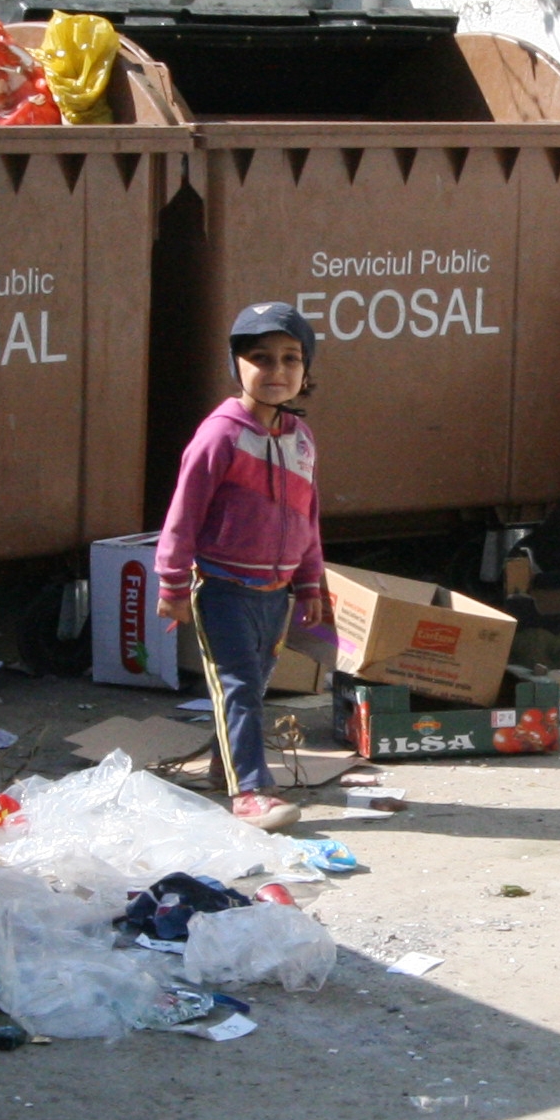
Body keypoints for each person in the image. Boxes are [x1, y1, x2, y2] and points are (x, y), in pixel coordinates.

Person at [154, 302, 331, 823]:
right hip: (223, 587)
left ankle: (223, 764)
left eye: (290, 359)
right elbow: (183, 514)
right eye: (261, 358)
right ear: (237, 365)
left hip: (274, 594)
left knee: (253, 688)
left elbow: (308, 515)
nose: (277, 372)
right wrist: (171, 583)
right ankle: (250, 792)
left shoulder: (299, 438)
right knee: (238, 687)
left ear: (305, 369)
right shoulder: (221, 436)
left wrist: (310, 583)